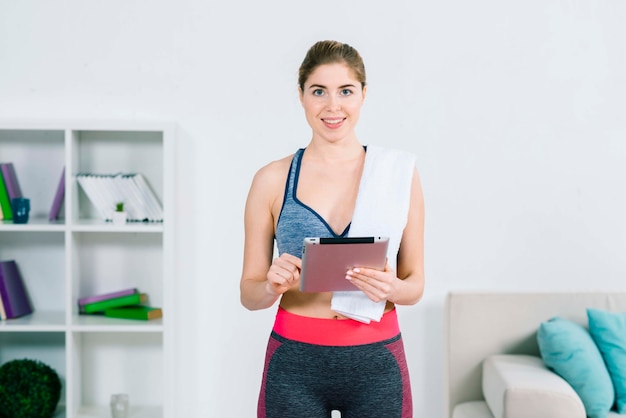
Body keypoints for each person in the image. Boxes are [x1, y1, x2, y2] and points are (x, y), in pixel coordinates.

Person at [240, 40, 425, 418]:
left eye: (346, 91)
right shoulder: (272, 179)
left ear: (363, 95)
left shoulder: (398, 175)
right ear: (301, 96)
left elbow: (415, 284)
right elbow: (249, 294)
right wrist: (271, 286)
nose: (332, 106)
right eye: (318, 91)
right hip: (294, 364)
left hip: (378, 363)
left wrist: (394, 288)